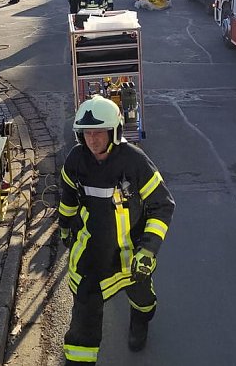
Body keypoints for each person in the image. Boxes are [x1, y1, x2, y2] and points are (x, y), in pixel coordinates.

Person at [58, 96, 175, 364]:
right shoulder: (76, 161)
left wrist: (148, 249)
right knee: (83, 318)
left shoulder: (135, 161)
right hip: (92, 254)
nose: (92, 138)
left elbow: (162, 205)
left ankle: (140, 320)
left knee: (143, 299)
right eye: (87, 132)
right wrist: (65, 227)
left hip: (131, 254)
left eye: (99, 131)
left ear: (115, 131)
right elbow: (68, 199)